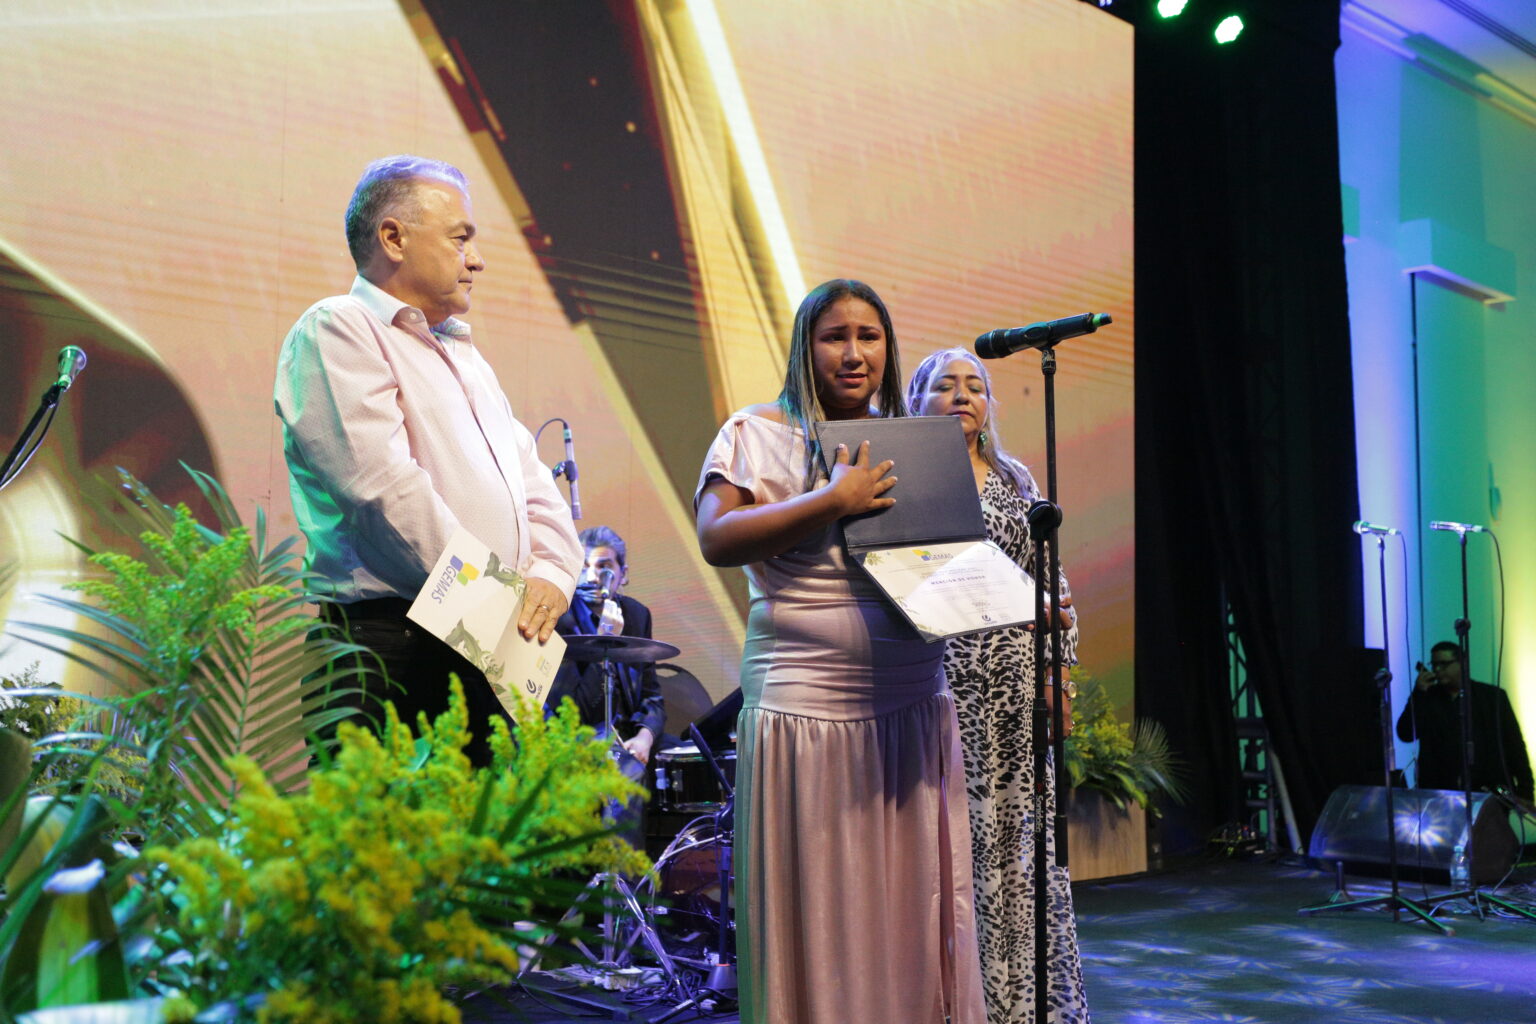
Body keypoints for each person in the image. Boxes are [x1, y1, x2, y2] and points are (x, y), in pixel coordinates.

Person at [695, 280, 986, 1024]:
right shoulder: (757, 431)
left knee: (908, 905)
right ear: (805, 345)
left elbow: (942, 564)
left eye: (870, 336)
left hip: (913, 701)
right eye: (835, 336)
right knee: (821, 900)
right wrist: (832, 499)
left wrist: (1008, 600)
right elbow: (717, 538)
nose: (854, 353)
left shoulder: (917, 440)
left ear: (889, 349)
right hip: (807, 710)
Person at [274, 155, 582, 767]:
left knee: (483, 855)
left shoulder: (467, 358)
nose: (478, 257)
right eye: (460, 237)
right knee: (390, 858)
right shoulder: (340, 328)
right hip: (393, 646)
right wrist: (499, 617)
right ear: (393, 238)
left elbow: (532, 483)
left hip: (485, 642)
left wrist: (552, 574)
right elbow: (385, 493)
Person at [907, 347, 1089, 1024]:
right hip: (942, 685)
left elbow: (1057, 590)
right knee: (954, 843)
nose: (962, 395)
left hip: (1015, 692)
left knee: (1018, 848)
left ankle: (1020, 1003)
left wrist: (1057, 681)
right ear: (916, 400)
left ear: (990, 407)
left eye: (975, 386)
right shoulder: (908, 481)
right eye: (945, 385)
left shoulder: (1017, 479)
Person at [548, 525, 665, 765]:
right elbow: (575, 711)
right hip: (581, 740)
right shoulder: (560, 619)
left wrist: (645, 738)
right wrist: (605, 641)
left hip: (629, 737)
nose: (591, 577)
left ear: (623, 574)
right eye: (583, 567)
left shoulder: (636, 614)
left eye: (604, 566)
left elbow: (652, 696)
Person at [1397, 641, 1532, 801]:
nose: (1438, 670)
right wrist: (1418, 694)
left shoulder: (1491, 697)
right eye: (1434, 665)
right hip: (1438, 792)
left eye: (1444, 664)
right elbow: (1405, 733)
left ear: (1462, 663)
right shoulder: (1427, 698)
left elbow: (1514, 743)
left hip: (1488, 791)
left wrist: (1526, 789)